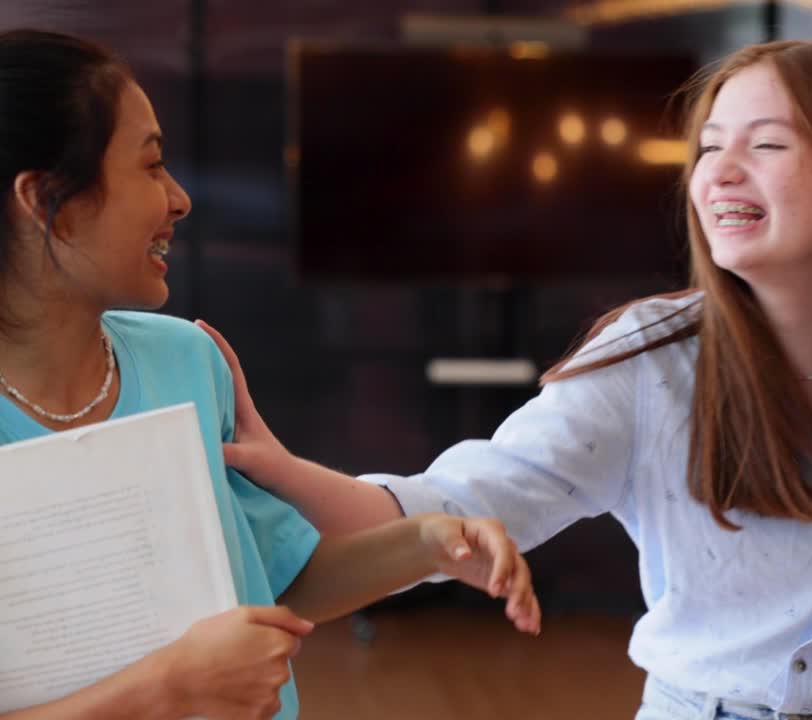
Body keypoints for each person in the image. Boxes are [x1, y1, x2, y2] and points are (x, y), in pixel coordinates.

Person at [204, 41, 812, 719]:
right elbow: (445, 509)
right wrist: (277, 466)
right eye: (708, 148)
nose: (719, 173)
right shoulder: (648, 363)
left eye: (766, 144)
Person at [0, 29, 540, 720]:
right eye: (152, 166)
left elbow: (273, 579)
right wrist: (168, 688)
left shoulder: (188, 361)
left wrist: (428, 541)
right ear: (49, 203)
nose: (180, 199)